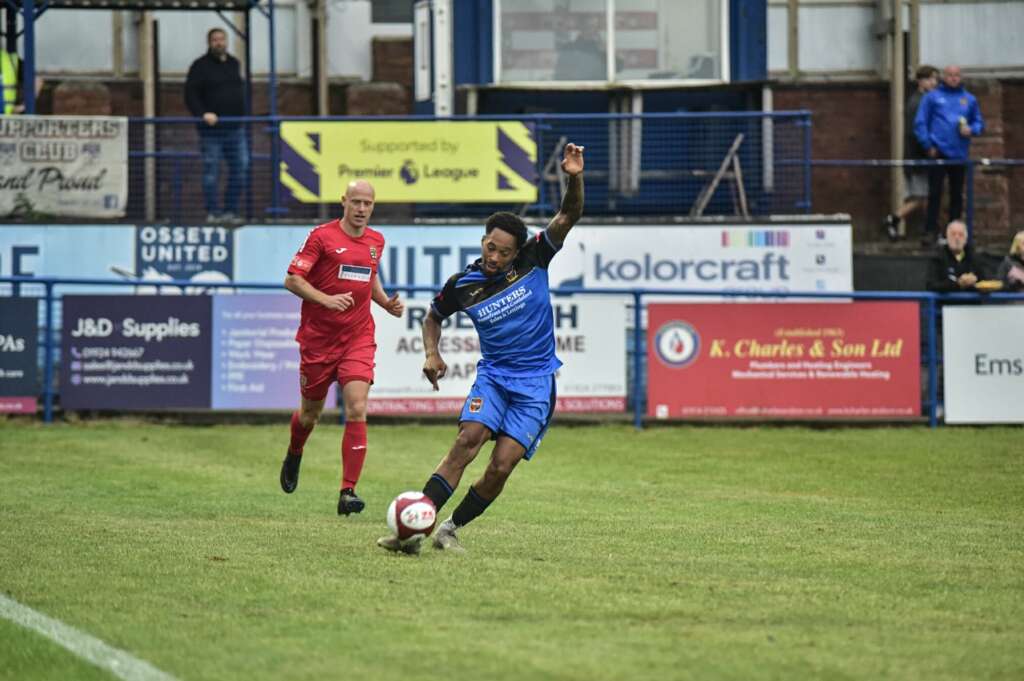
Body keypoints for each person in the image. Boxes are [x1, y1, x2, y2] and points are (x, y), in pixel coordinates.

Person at [377, 143, 585, 555]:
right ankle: (411, 532)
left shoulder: (535, 258)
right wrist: (432, 353)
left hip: (535, 384)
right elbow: (432, 317)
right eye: (491, 247)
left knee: (501, 466)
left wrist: (574, 178)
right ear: (483, 241)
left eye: (504, 252)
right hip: (494, 377)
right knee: (466, 441)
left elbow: (568, 216)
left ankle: (450, 529)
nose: (495, 257)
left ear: (516, 252)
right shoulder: (463, 285)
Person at [279, 180, 405, 515]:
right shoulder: (321, 236)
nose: (362, 209)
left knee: (357, 407)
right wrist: (326, 300)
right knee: (310, 415)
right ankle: (295, 451)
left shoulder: (376, 240)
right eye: (356, 202)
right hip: (318, 341)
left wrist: (384, 302)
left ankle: (348, 491)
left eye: (368, 203)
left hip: (358, 337)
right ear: (344, 202)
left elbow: (369, 276)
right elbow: (292, 279)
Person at [914, 65, 984, 246]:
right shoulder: (932, 97)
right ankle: (930, 231)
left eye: (956, 75)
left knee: (956, 195)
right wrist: (928, 144)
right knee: (934, 193)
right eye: (950, 75)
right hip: (938, 152)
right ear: (944, 77)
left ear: (961, 77)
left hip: (959, 154)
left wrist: (971, 129)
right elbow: (920, 123)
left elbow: (979, 123)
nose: (953, 78)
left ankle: (955, 233)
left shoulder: (969, 99)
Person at [185, 28, 249, 222]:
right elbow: (190, 94)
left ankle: (231, 211)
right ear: (209, 42)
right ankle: (213, 212)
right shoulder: (200, 66)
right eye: (215, 40)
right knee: (211, 172)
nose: (219, 43)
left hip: (235, 129)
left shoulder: (234, 63)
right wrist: (203, 113)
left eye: (222, 39)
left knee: (241, 168)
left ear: (226, 41)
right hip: (211, 131)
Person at [884, 65, 939, 241]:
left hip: (915, 156)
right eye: (930, 79)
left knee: (924, 196)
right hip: (918, 157)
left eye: (935, 79)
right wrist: (928, 149)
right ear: (921, 81)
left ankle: (930, 230)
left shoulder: (919, 100)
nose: (934, 83)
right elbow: (917, 131)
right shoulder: (920, 102)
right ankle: (894, 219)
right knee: (922, 196)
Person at [927, 220, 987, 292]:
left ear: (966, 239)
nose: (957, 238)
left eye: (960, 235)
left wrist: (974, 281)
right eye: (953, 234)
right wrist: (958, 283)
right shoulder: (938, 257)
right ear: (947, 237)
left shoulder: (974, 257)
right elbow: (931, 285)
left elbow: (986, 281)